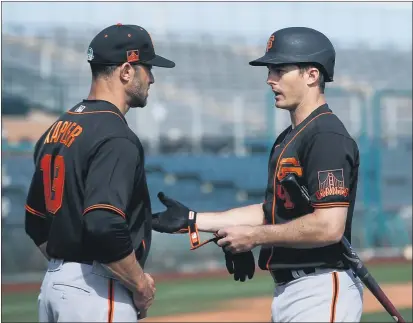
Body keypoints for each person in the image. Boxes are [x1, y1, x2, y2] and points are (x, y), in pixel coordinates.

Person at [152, 27, 364, 322]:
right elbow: (273, 212)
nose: (269, 79)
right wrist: (195, 221)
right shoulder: (290, 137)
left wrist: (253, 237)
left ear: (312, 75)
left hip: (320, 288)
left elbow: (329, 226)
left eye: (279, 69)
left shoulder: (326, 135)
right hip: (294, 291)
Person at [24, 23, 175, 322]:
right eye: (147, 68)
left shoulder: (56, 129)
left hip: (54, 286)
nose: (152, 78)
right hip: (95, 289)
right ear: (126, 71)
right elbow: (104, 223)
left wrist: (65, 266)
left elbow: (35, 221)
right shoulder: (116, 135)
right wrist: (140, 284)